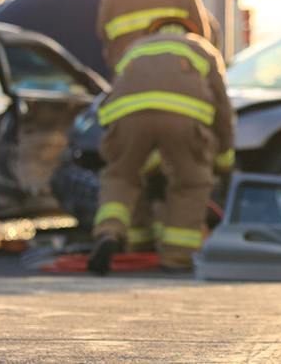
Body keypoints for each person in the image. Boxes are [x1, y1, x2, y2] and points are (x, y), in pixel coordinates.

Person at [87, 17, 236, 274]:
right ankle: (176, 257)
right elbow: (222, 108)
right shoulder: (201, 48)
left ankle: (111, 232)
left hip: (128, 117)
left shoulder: (136, 48)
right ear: (191, 30)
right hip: (183, 118)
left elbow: (115, 92)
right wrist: (224, 157)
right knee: (190, 182)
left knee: (122, 176)